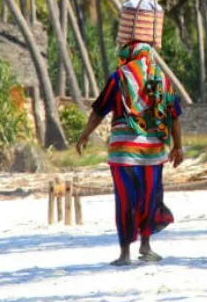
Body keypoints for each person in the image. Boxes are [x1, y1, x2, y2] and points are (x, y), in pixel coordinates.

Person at [77, 41, 183, 266]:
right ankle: (145, 246)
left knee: (125, 200)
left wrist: (85, 134)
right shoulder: (162, 80)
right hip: (153, 152)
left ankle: (125, 253)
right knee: (149, 197)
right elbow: (173, 115)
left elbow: (99, 110)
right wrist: (178, 146)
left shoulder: (119, 78)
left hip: (123, 153)